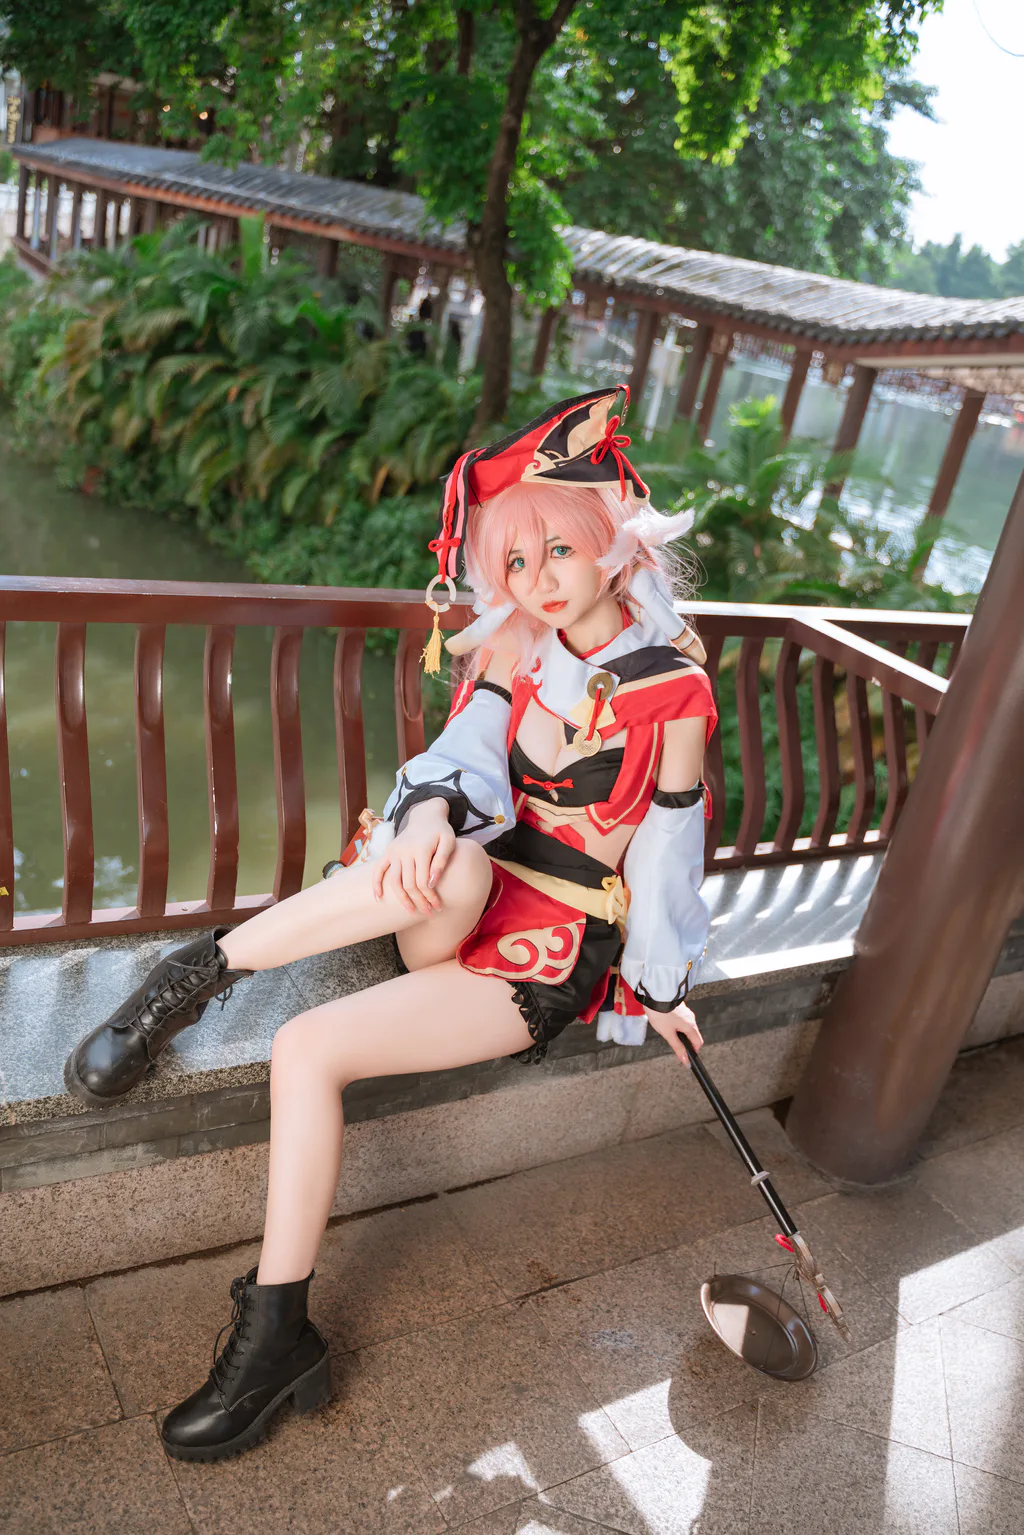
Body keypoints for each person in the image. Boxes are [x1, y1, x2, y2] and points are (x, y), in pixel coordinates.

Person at [62, 385, 717, 1463]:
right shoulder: (514, 649)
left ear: (613, 540)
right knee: (449, 843)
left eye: (558, 549)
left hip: (541, 950)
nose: (538, 579)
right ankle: (189, 978)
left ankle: (276, 1336)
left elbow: (667, 848)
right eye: (515, 561)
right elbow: (462, 759)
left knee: (304, 1045)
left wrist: (661, 986)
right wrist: (423, 813)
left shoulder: (674, 688)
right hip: (462, 898)